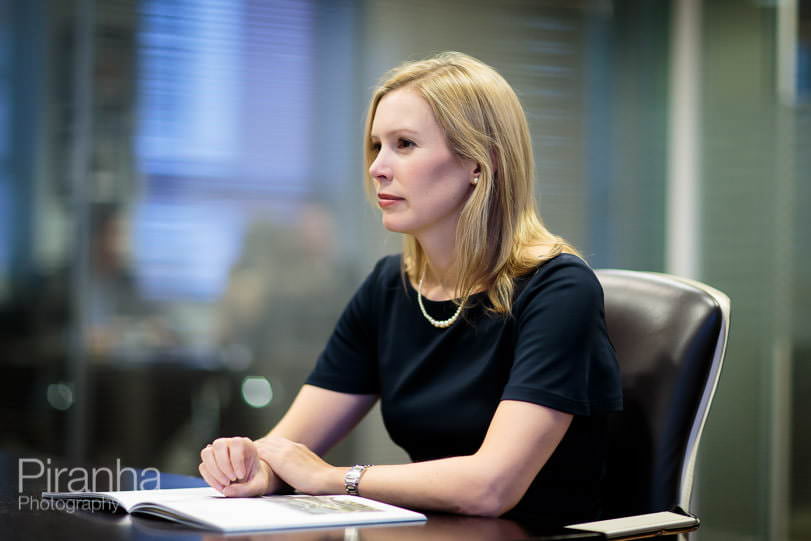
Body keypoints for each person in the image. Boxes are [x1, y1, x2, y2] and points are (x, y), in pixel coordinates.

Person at [198, 51, 622, 525]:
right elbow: (289, 447)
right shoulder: (388, 287)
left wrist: (332, 478)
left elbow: (491, 487)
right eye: (376, 146)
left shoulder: (559, 289)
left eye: (404, 144)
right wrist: (253, 465)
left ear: (479, 163)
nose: (378, 167)